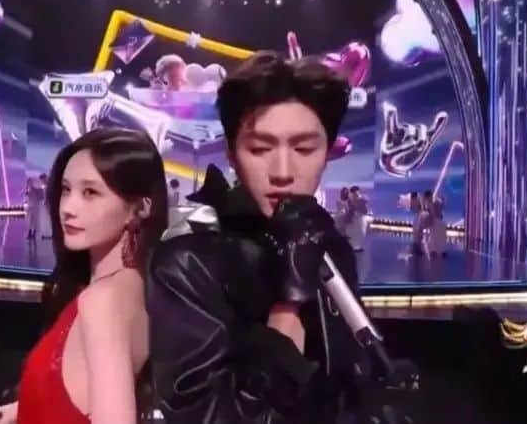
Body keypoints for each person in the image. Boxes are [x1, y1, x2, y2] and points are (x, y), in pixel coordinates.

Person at [147, 52, 371, 423]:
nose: (282, 171)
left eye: (304, 149)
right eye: (260, 149)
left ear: (328, 152)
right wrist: (288, 305)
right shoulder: (187, 263)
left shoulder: (332, 249)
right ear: (232, 155)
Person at [0, 128, 168, 424]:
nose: (68, 208)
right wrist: (19, 410)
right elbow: (79, 396)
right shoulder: (136, 285)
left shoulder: (102, 302)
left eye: (90, 193)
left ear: (139, 208)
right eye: (66, 190)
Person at [345, 186, 368, 252]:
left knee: (360, 232)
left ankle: (357, 246)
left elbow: (365, 209)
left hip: (360, 218)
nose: (356, 194)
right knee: (352, 232)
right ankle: (352, 246)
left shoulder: (362, 198)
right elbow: (349, 208)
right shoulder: (350, 200)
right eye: (354, 193)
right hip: (352, 217)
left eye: (356, 192)